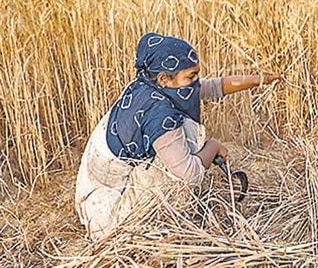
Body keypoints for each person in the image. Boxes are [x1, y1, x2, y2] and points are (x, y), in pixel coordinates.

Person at [75, 32, 283, 240]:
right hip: (112, 221)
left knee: (177, 146)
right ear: (164, 78)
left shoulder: (147, 84)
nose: (196, 82)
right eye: (191, 77)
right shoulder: (159, 115)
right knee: (180, 170)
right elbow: (189, 176)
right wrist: (212, 147)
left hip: (95, 188)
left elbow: (213, 87)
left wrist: (259, 80)